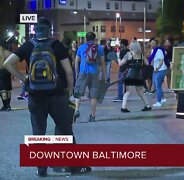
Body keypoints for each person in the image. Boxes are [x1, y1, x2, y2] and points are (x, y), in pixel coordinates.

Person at [3, 17, 91, 177]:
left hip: (36, 97)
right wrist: (69, 91)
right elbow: (69, 71)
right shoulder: (57, 45)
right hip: (57, 95)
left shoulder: (28, 46)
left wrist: (25, 79)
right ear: (49, 30)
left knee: (38, 133)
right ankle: (74, 167)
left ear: (35, 31)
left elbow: (7, 63)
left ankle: (41, 169)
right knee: (65, 131)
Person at [73, 32, 106, 122]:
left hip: (83, 72)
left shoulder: (81, 47)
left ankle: (76, 110)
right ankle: (93, 116)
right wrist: (104, 76)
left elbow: (76, 62)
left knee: (78, 93)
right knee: (93, 95)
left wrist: (76, 74)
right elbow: (103, 63)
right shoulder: (99, 48)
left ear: (86, 39)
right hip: (94, 73)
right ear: (94, 39)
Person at [118, 40, 152, 112]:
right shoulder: (141, 55)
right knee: (140, 91)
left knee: (127, 91)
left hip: (130, 75)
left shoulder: (128, 54)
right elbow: (147, 63)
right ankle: (147, 105)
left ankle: (123, 107)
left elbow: (120, 64)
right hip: (138, 75)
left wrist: (118, 57)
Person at [149, 38, 167, 107]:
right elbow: (153, 60)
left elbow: (161, 61)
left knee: (158, 86)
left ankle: (159, 102)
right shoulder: (153, 50)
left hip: (161, 69)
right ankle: (162, 98)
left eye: (153, 43)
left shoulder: (159, 50)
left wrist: (157, 68)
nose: (152, 44)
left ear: (156, 44)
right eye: (151, 43)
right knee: (156, 84)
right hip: (156, 69)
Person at [0, 39, 12, 111]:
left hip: (0, 71)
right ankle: (8, 105)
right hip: (8, 71)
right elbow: (13, 63)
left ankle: (5, 106)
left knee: (2, 89)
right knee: (8, 89)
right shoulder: (8, 53)